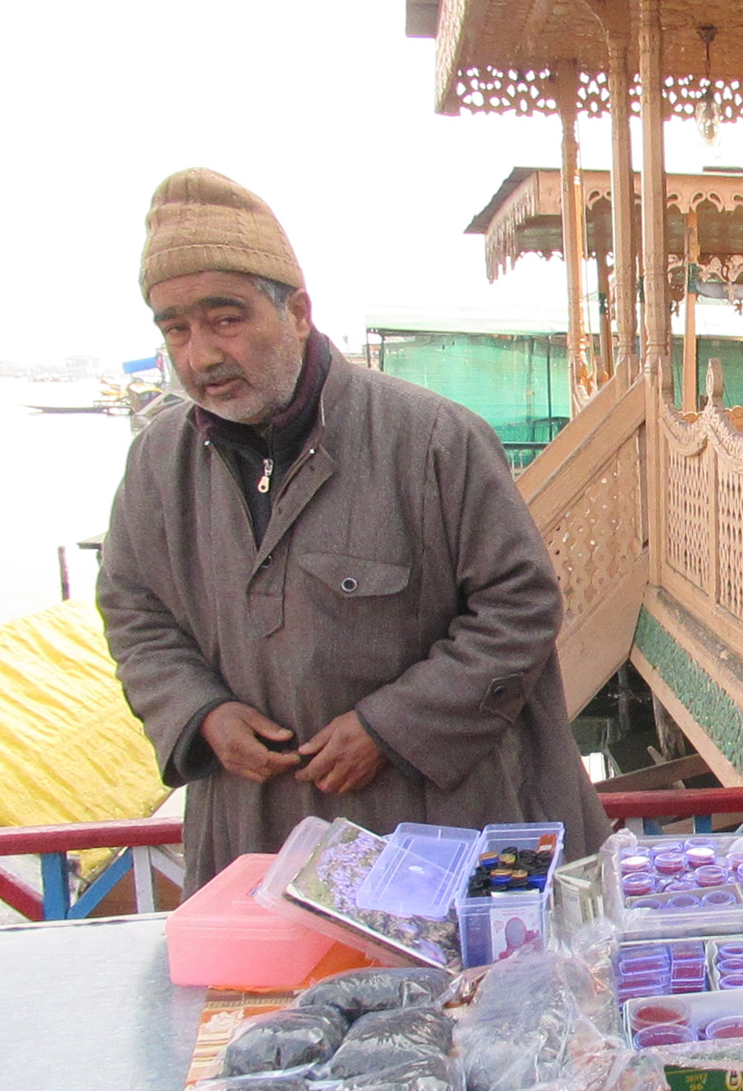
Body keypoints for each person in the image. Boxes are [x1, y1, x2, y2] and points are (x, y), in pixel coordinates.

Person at [99, 169, 610, 889]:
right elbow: (133, 609)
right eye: (176, 329)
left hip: (442, 834)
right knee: (272, 1000)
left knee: (460, 1000)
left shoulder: (432, 439)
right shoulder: (159, 462)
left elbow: (520, 606)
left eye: (225, 319)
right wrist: (200, 713)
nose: (201, 356)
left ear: (298, 311)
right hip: (257, 840)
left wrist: (390, 727)